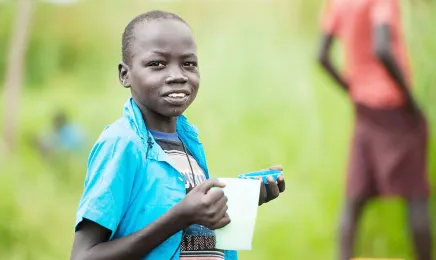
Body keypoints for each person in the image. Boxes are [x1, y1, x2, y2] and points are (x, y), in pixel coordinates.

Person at [70, 10, 285, 260]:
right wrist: (180, 216)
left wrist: (237, 201)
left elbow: (189, 240)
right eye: (157, 64)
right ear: (125, 74)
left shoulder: (188, 143)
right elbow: (83, 256)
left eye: (188, 64)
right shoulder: (122, 144)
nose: (178, 76)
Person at [317, 1, 432, 260]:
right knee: (416, 195)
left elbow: (321, 56)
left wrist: (354, 89)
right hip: (394, 107)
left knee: (353, 199)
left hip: (364, 110)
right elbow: (382, 47)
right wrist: (412, 103)